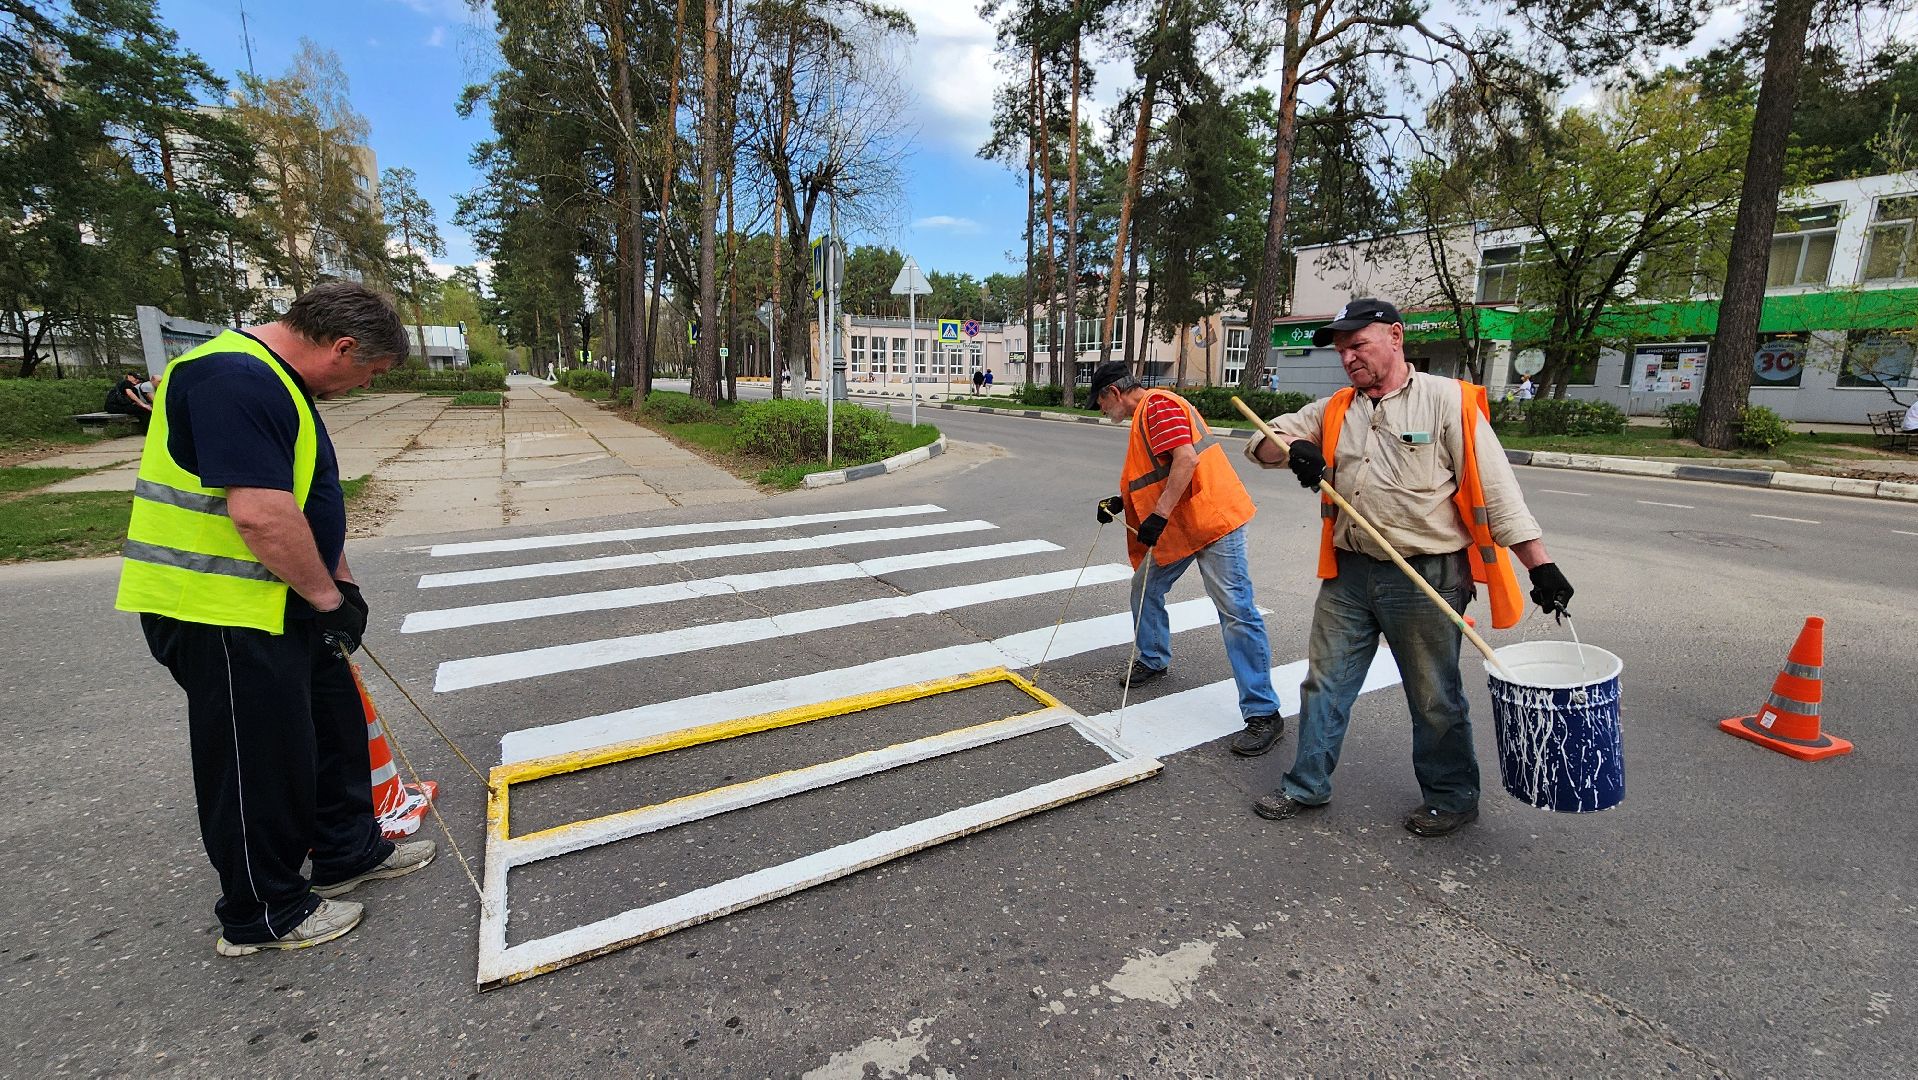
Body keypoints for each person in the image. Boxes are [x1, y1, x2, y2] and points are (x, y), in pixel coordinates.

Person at [115, 282, 437, 956]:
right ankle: (262, 911)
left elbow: (305, 499)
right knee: (256, 762)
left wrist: (341, 586)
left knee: (330, 728)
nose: (366, 385)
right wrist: (326, 599)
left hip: (284, 597)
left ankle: (347, 849)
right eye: (370, 372)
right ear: (342, 346)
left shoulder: (281, 381)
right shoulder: (231, 378)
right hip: (220, 607)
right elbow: (260, 514)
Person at [1243, 298, 1574, 837]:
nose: (1348, 358)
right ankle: (1306, 785)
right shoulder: (1334, 409)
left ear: (1396, 337)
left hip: (1427, 577)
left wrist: (1542, 567)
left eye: (1358, 345)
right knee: (1324, 683)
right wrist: (1295, 446)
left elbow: (1498, 492)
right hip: (1350, 575)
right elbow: (1261, 441)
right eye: (1341, 350)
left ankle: (1452, 796)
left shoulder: (1447, 402)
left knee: (1433, 695)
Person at [1087, 359, 1285, 756]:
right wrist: (1122, 503)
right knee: (1145, 587)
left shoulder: (1157, 406)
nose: (1101, 410)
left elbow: (1186, 459)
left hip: (1212, 521)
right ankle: (1153, 657)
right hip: (1182, 524)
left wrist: (1158, 516)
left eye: (1100, 403)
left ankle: (1264, 712)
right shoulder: (1148, 413)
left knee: (1236, 611)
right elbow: (1157, 473)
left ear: (1114, 393)